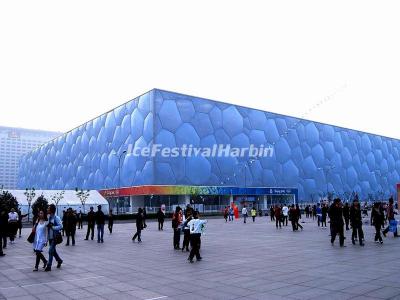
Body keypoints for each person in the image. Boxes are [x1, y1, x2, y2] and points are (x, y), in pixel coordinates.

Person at [45, 204, 63, 272]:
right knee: (53, 251)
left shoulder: (56, 218)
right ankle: (59, 260)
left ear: (51, 210)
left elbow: (61, 226)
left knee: (50, 251)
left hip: (55, 237)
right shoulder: (49, 217)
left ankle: (49, 266)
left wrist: (53, 227)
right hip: (50, 237)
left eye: (48, 208)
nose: (47, 209)